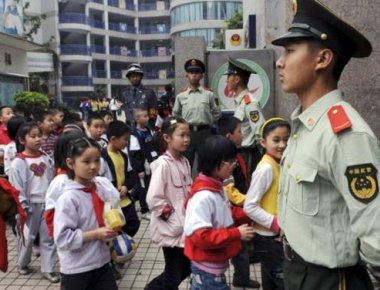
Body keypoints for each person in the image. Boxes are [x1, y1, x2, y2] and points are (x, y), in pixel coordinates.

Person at [271, 0, 379, 289]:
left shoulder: (345, 133)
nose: (280, 61)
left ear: (322, 59)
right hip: (298, 271)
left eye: (290, 50)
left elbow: (376, 231)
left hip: (330, 280)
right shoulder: (304, 125)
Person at [184, 135, 255, 290]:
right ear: (215, 163)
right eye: (230, 162)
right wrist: (237, 233)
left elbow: (226, 212)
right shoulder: (203, 197)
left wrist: (252, 214)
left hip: (212, 268)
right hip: (207, 272)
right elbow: (201, 236)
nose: (234, 165)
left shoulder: (216, 187)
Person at [54, 137, 120, 290]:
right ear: (71, 163)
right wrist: (96, 234)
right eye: (86, 161)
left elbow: (112, 209)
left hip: (102, 261)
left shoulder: (101, 187)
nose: (93, 166)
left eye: (97, 160)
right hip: (77, 268)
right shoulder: (68, 198)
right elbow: (62, 238)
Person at [145, 116, 192, 290]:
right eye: (181, 135)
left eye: (188, 135)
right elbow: (153, 199)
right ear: (167, 138)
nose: (186, 139)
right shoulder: (162, 165)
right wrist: (173, 218)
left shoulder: (185, 161)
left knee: (185, 268)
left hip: (184, 227)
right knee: (173, 274)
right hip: (171, 230)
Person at [9, 122, 59, 283]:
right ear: (22, 140)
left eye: (39, 136)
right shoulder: (19, 162)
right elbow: (16, 186)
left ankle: (48, 269)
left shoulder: (45, 157)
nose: (38, 139)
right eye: (33, 136)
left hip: (47, 204)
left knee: (48, 237)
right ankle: (22, 263)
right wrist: (22, 205)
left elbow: (52, 179)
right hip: (29, 207)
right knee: (28, 237)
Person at [244, 118, 290, 290]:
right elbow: (250, 205)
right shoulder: (266, 168)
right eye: (276, 140)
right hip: (269, 237)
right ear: (263, 142)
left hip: (272, 235)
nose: (282, 145)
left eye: (286, 140)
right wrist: (275, 223)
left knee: (270, 279)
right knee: (279, 279)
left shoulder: (277, 164)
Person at [218, 116, 260, 289]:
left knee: (241, 247)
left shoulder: (237, 153)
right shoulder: (226, 160)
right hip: (234, 209)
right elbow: (230, 190)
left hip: (240, 206)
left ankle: (241, 277)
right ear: (229, 136)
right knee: (239, 246)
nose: (243, 135)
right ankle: (238, 277)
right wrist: (248, 203)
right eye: (239, 131)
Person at [173, 59, 221, 168]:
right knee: (185, 164)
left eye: (197, 72)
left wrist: (208, 122)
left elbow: (217, 113)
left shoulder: (209, 94)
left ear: (201, 75)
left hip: (204, 133)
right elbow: (175, 114)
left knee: (204, 164)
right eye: (191, 72)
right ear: (187, 75)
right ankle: (185, 185)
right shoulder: (181, 96)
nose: (194, 75)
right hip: (187, 133)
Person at [225, 57, 265, 177]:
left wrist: (262, 156)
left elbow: (260, 130)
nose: (226, 81)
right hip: (241, 153)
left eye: (228, 77)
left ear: (236, 79)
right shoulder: (240, 101)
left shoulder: (249, 102)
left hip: (250, 155)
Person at [101, 121, 140, 237]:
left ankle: (122, 244)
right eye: (125, 139)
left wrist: (126, 186)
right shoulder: (102, 158)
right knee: (115, 227)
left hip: (125, 199)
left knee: (134, 224)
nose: (127, 143)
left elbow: (131, 174)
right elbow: (99, 180)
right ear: (113, 139)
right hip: (111, 203)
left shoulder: (123, 156)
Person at [131, 108, 158, 220]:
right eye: (144, 116)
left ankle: (133, 199)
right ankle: (144, 210)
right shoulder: (134, 134)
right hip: (142, 167)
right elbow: (134, 154)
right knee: (143, 188)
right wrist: (139, 169)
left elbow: (152, 146)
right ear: (137, 119)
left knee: (148, 186)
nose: (147, 118)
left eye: (147, 116)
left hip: (152, 163)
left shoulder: (149, 129)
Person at [122, 63, 158, 127]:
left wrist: (150, 126)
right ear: (129, 78)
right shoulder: (125, 93)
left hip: (145, 127)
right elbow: (126, 111)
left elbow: (153, 111)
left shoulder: (149, 92)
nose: (134, 78)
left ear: (141, 77)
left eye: (136, 76)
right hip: (129, 128)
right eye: (132, 76)